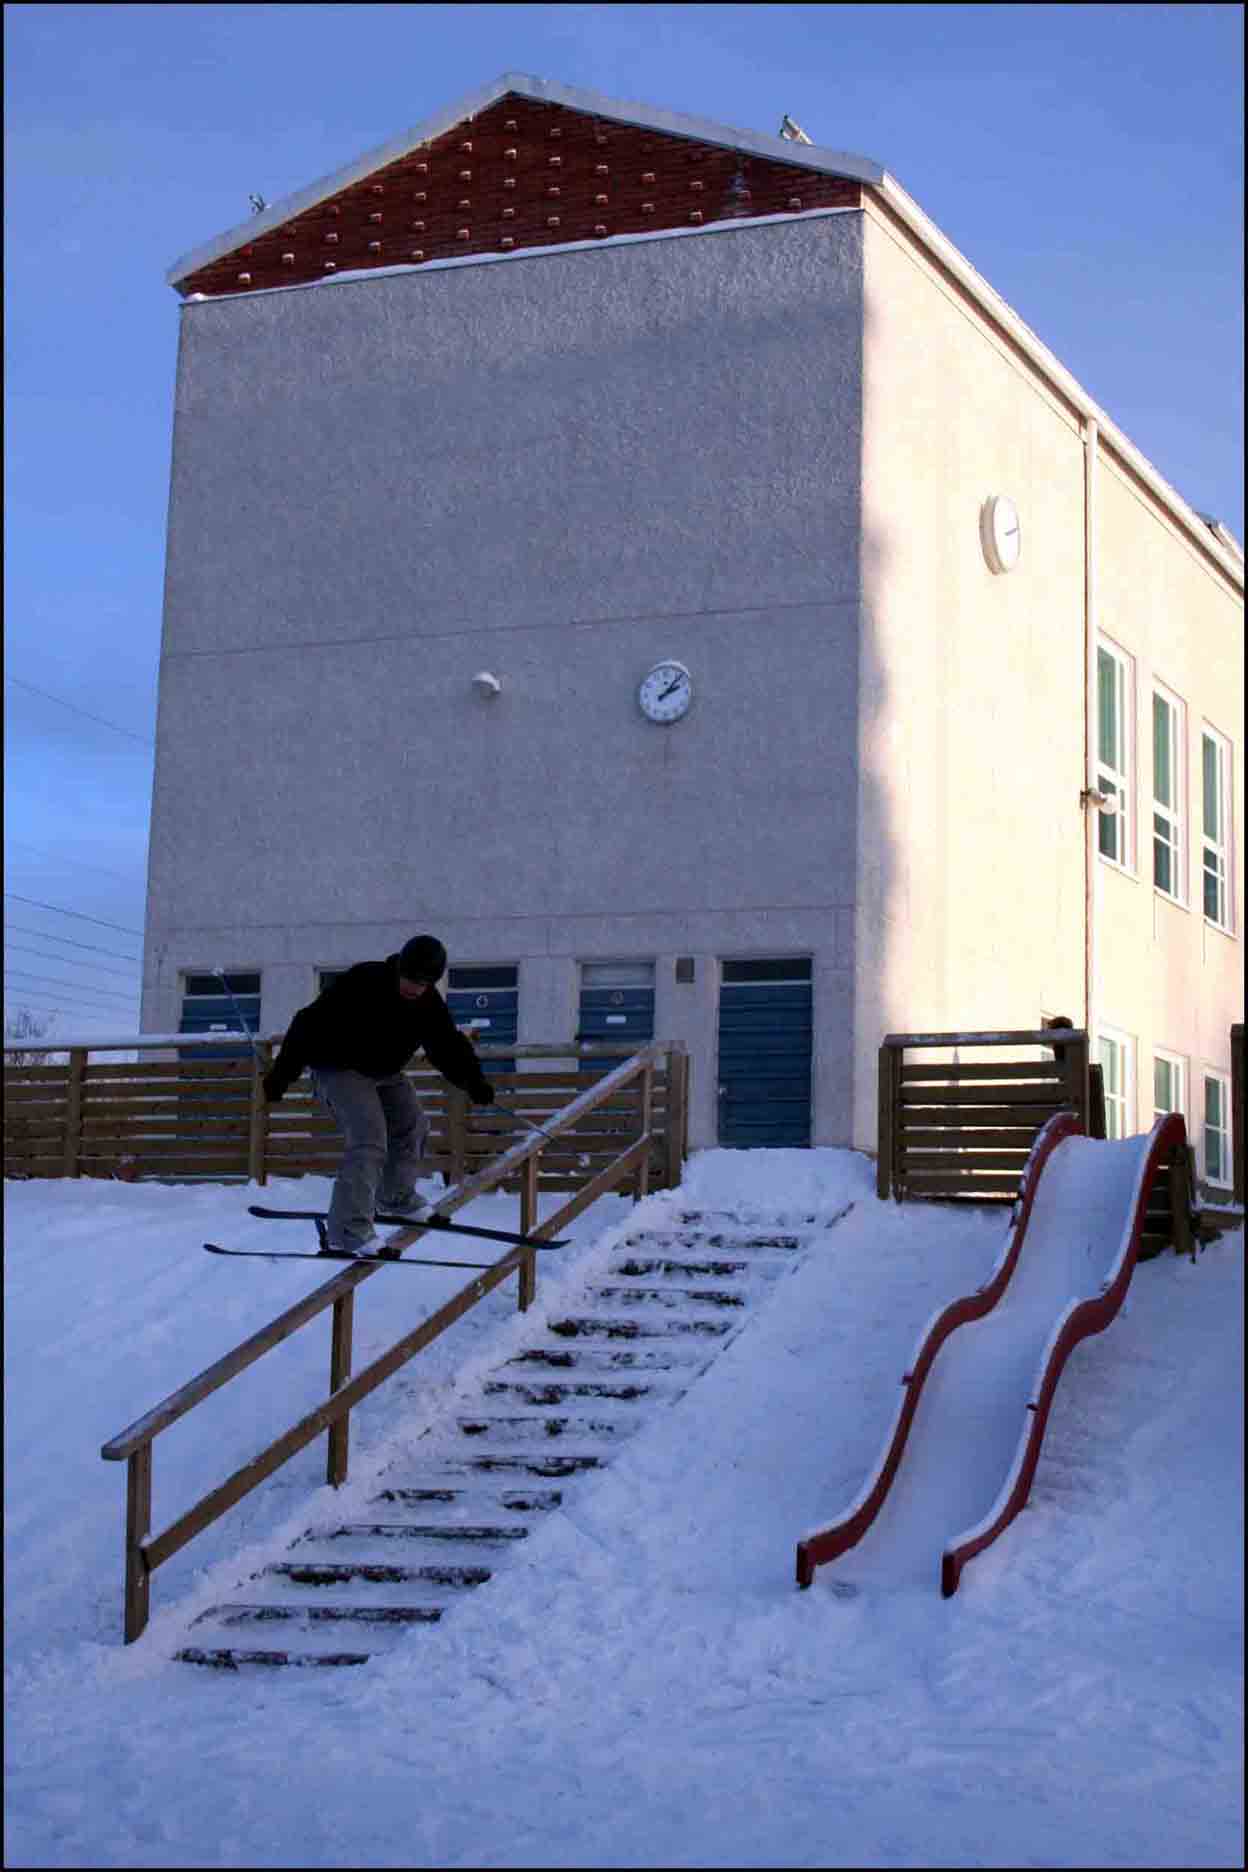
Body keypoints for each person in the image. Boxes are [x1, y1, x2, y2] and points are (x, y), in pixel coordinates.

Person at [262, 934, 495, 1255]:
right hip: (337, 1066)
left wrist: (473, 1081)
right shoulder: (365, 981)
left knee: (413, 1124)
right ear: (399, 967)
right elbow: (307, 1023)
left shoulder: (427, 1004)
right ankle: (347, 1230)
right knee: (369, 1139)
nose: (414, 988)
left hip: (383, 1071)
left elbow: (447, 1045)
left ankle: (395, 1196)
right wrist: (281, 1075)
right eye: (410, 979)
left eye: (423, 983)